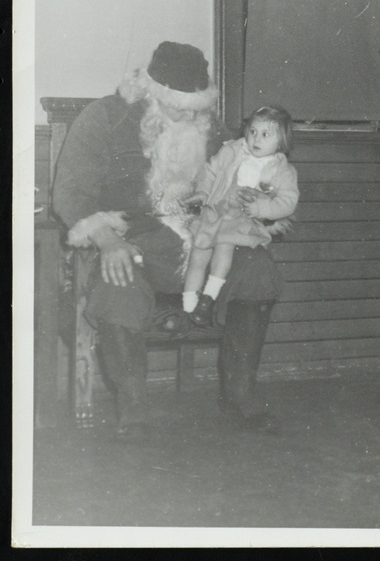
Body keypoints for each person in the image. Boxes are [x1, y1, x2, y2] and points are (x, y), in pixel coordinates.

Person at [52, 41, 285, 440]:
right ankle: (134, 409)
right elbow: (70, 195)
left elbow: (237, 179)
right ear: (151, 93)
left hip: (201, 240)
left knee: (258, 270)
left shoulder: (209, 127)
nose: (190, 116)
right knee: (119, 281)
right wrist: (107, 240)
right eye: (179, 107)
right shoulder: (104, 118)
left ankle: (240, 394)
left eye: (197, 108)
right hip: (133, 241)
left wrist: (251, 207)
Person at [183, 106, 298, 328]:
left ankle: (207, 300)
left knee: (223, 254)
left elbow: (288, 202)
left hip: (240, 221)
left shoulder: (282, 171)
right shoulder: (232, 150)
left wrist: (262, 209)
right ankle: (188, 305)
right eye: (253, 131)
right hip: (215, 213)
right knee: (198, 254)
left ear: (281, 141)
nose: (256, 138)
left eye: (266, 135)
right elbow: (210, 171)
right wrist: (203, 193)